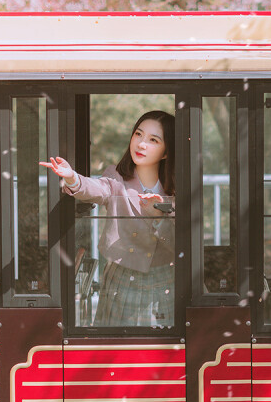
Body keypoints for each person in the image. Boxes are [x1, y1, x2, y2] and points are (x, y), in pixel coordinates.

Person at [41, 111, 175, 326]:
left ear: (166, 152)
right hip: (123, 277)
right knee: (120, 345)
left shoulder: (177, 186)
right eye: (138, 134)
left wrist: (158, 217)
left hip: (165, 279)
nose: (141, 144)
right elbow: (96, 188)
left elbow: (182, 241)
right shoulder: (117, 176)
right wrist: (72, 177)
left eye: (153, 140)